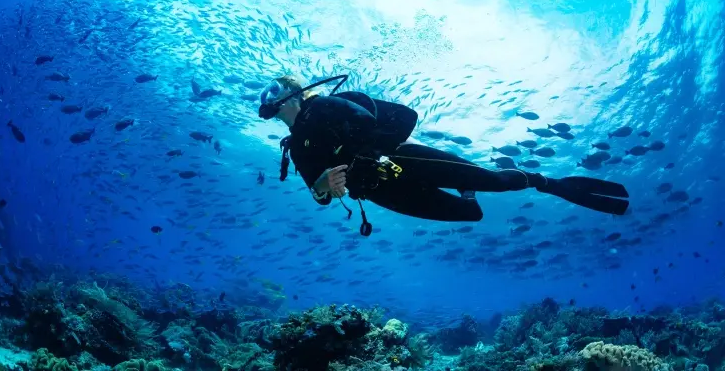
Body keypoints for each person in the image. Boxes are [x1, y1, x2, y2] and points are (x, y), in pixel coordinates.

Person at [258, 74, 630, 236]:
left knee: (497, 181)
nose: (266, 98)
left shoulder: (330, 106)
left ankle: (547, 182)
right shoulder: (295, 147)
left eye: (272, 89)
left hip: (404, 160)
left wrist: (372, 152)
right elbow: (319, 195)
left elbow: (405, 117)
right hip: (379, 192)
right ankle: (467, 190)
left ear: (293, 93)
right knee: (470, 212)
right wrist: (323, 187)